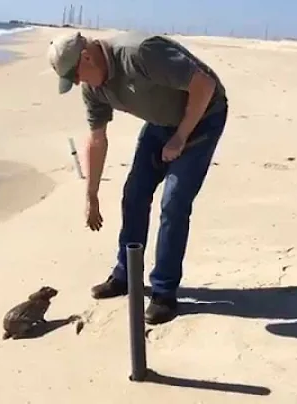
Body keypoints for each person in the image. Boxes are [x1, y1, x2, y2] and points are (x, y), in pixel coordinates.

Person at [47, 30, 229, 325]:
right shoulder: (94, 89)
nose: (78, 83)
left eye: (76, 75)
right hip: (160, 123)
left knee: (174, 201)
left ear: (87, 57)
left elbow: (204, 84)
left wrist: (181, 136)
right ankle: (126, 275)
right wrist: (91, 195)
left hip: (203, 116)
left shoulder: (140, 53)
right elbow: (97, 140)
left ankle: (164, 293)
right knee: (134, 194)